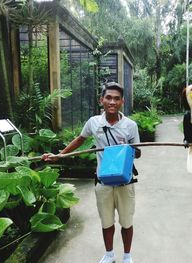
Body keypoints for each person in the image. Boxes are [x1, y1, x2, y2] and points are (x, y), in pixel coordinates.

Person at [42, 82, 141, 263]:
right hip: (102, 182)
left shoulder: (130, 125)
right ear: (101, 100)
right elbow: (80, 139)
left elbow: (139, 153)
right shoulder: (94, 123)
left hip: (125, 183)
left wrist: (128, 148)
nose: (112, 102)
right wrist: (60, 155)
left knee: (126, 222)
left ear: (122, 102)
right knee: (106, 222)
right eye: (108, 97)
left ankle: (127, 256)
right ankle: (109, 254)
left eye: (116, 98)